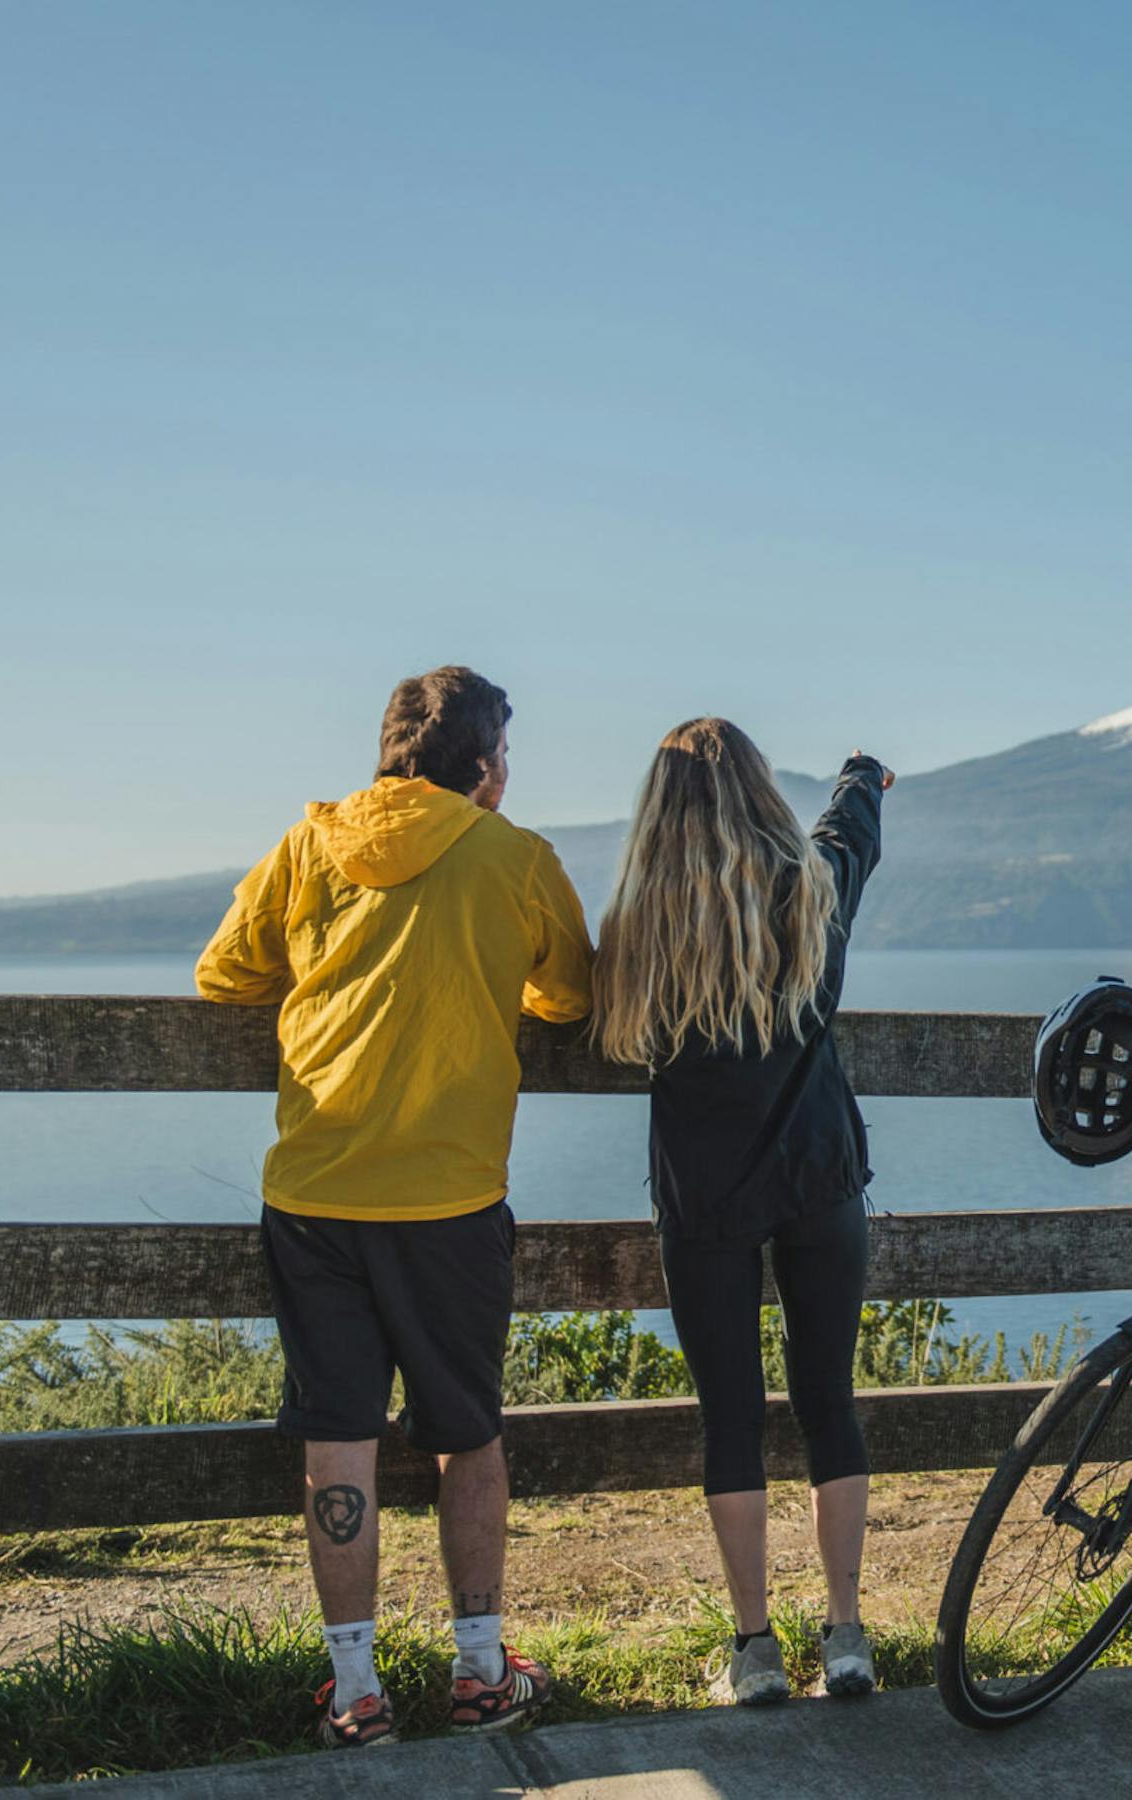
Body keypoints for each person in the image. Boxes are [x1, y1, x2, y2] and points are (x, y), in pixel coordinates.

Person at [196, 666, 593, 1749]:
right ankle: (477, 1674)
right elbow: (570, 996)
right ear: (481, 767)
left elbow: (223, 975)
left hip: (315, 1191)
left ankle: (356, 1690)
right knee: (468, 1438)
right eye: (504, 755)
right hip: (451, 1199)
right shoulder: (514, 859)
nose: (508, 773)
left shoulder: (308, 844)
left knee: (339, 1440)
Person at [591, 720, 889, 1706]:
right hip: (819, 1176)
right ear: (762, 791)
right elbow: (851, 832)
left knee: (732, 1415)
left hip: (705, 1195)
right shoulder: (813, 891)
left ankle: (755, 1648)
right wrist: (861, 774)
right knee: (828, 1401)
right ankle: (846, 1636)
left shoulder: (642, 927)